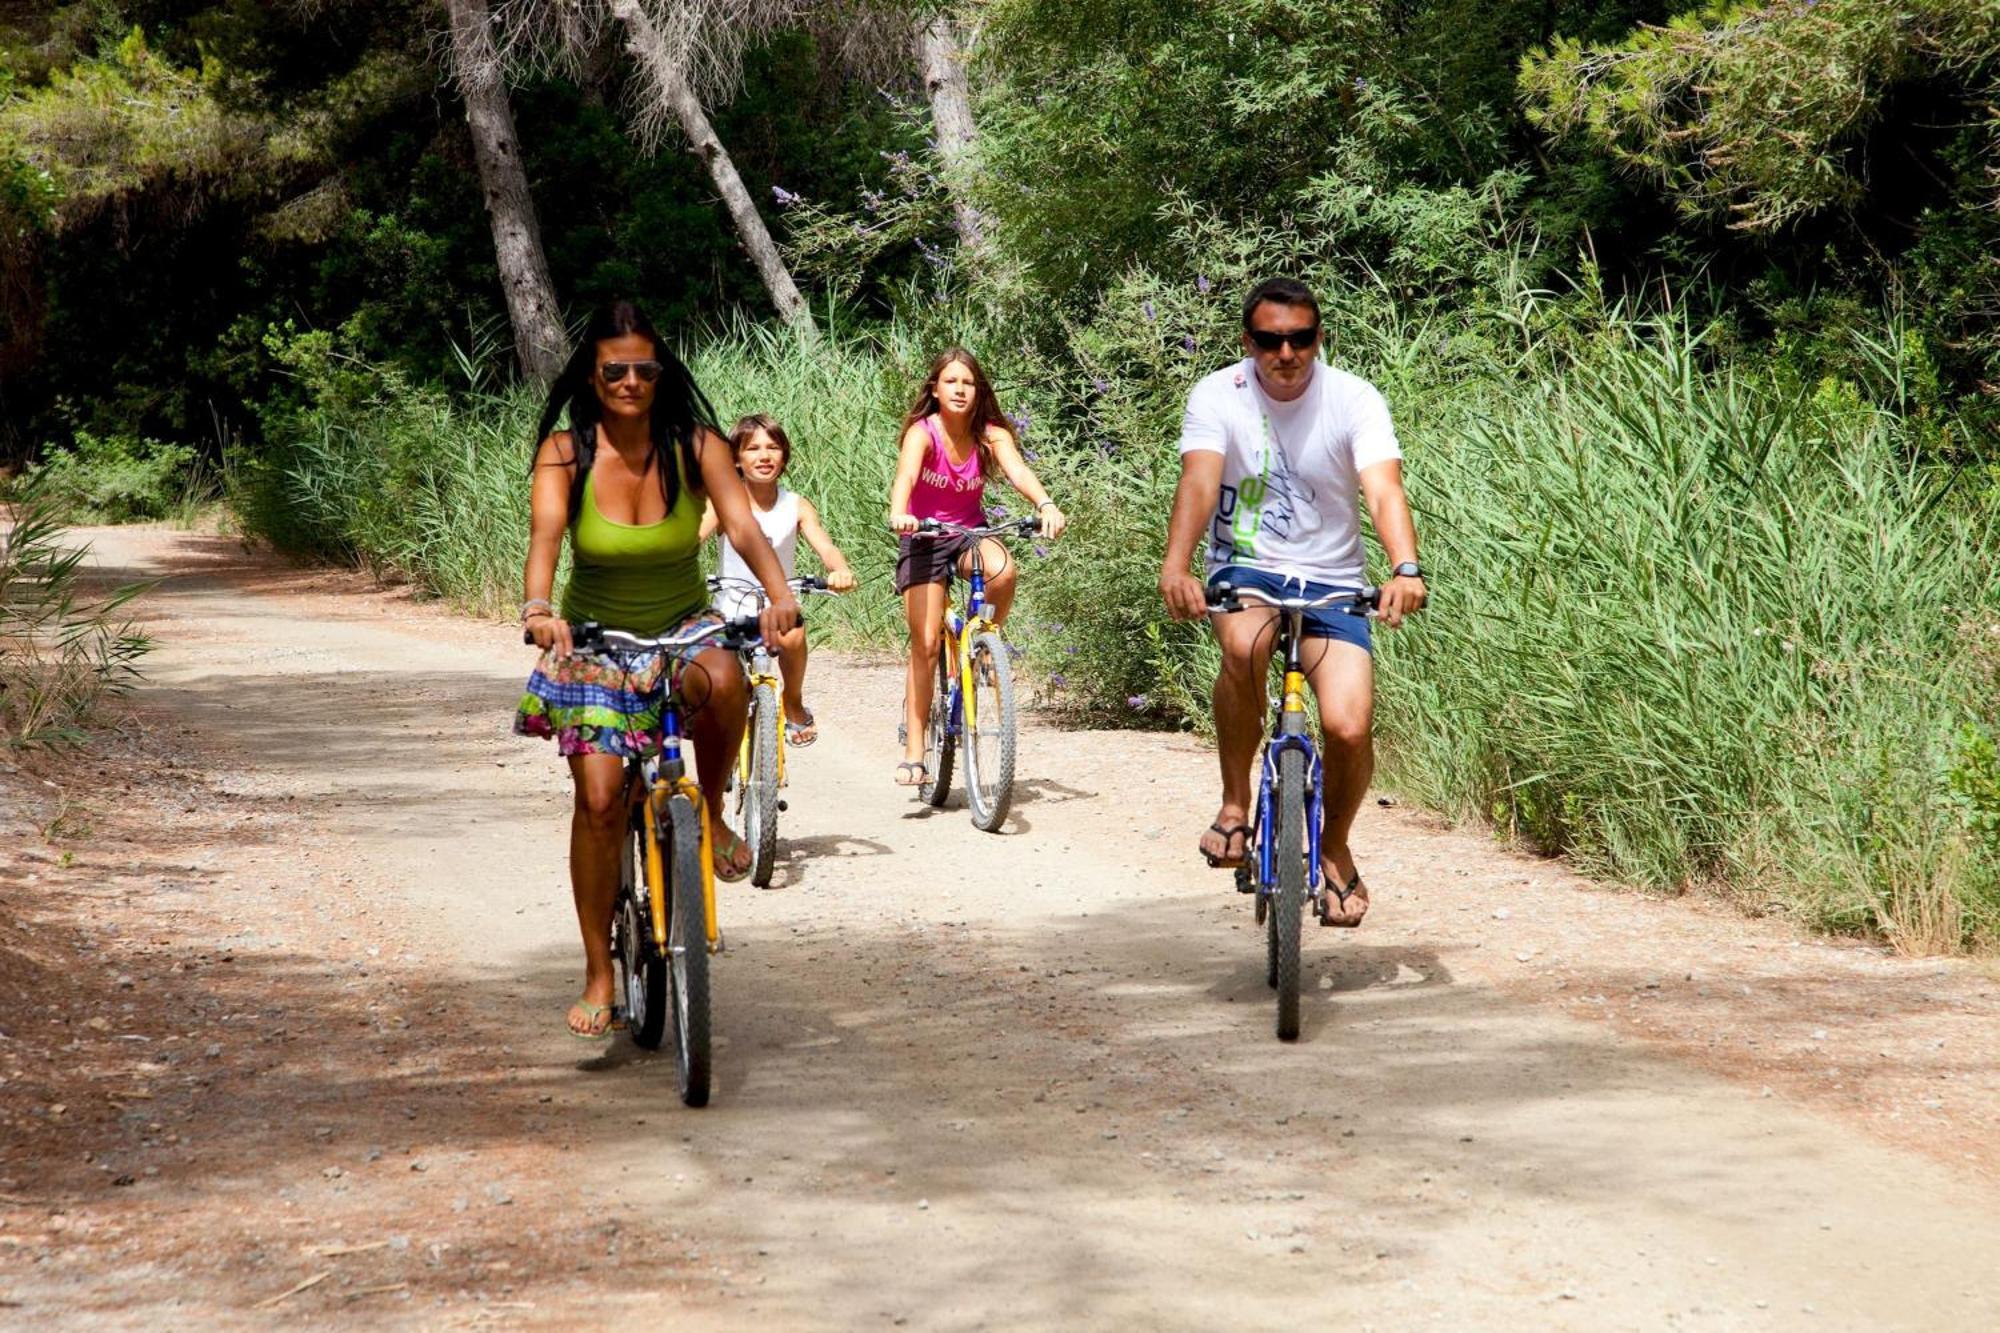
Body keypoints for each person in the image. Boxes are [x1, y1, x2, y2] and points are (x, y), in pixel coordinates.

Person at [514, 301, 800, 1039]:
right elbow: (546, 538)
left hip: (681, 622)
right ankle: (598, 972)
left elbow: (741, 525)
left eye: (645, 367)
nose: (632, 381)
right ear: (592, 374)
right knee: (602, 802)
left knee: (727, 677)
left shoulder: (696, 443)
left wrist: (778, 596)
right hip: (595, 635)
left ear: (660, 373)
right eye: (616, 369)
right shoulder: (564, 451)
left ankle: (706, 806)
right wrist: (539, 605)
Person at [1158, 277, 1427, 928]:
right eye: (1271, 339)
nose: (1287, 352)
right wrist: (1177, 565)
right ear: (1248, 341)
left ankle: (1333, 848)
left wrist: (1405, 568)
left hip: (1330, 577)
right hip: (1246, 566)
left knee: (1347, 724)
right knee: (1245, 649)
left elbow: (1383, 490)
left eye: (1301, 338)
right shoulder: (1218, 394)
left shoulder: (1354, 398)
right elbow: (1199, 479)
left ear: (1318, 337)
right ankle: (1233, 804)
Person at [887, 347, 1065, 787]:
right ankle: (914, 750)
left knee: (1003, 569)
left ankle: (983, 643)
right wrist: (899, 512)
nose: (960, 389)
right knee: (925, 644)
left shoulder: (991, 434)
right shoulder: (922, 433)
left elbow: (1018, 471)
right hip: (925, 536)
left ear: (978, 390)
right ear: (935, 389)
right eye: (951, 382)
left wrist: (1044, 503)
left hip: (970, 534)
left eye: (968, 382)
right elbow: (906, 477)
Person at [698, 413, 858, 746]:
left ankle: (793, 702)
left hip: (778, 603)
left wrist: (839, 570)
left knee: (794, 635)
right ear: (737, 460)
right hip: (730, 605)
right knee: (718, 680)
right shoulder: (724, 502)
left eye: (773, 447)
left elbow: (825, 546)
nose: (764, 455)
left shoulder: (796, 505)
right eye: (752, 448)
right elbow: (690, 541)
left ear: (784, 456)